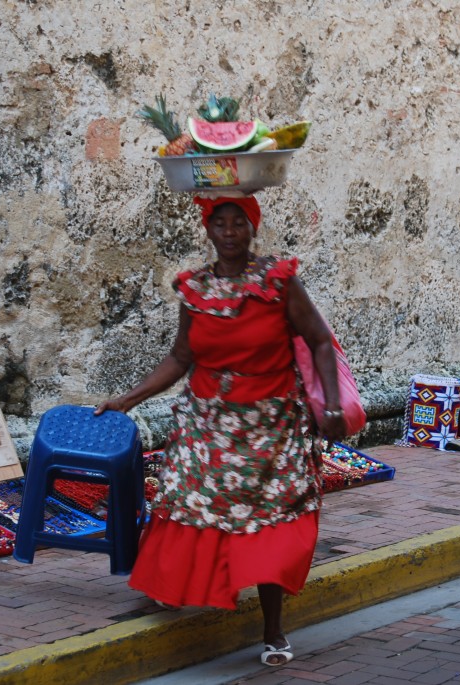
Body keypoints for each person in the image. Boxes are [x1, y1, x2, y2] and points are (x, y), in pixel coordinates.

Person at [95, 195, 345, 667]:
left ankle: (273, 630)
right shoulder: (195, 290)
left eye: (238, 223)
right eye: (220, 224)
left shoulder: (279, 281)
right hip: (207, 426)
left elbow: (318, 340)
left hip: (270, 430)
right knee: (189, 505)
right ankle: (181, 587)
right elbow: (181, 358)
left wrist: (330, 403)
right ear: (208, 231)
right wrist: (128, 398)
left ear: (252, 230)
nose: (229, 232)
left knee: (269, 522)